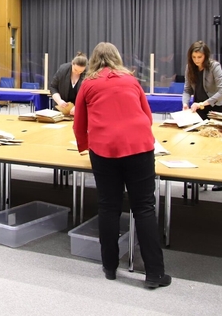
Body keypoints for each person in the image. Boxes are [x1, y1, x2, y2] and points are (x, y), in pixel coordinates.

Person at [73, 42, 170, 289]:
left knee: (108, 207)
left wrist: (86, 147)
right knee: (144, 207)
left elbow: (78, 123)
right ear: (117, 58)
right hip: (139, 148)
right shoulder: (131, 81)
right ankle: (155, 273)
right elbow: (147, 117)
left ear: (94, 60)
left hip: (104, 150)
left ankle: (110, 267)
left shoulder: (88, 84)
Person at [182, 40, 222, 120]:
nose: (196, 60)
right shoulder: (189, 68)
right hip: (199, 108)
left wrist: (202, 104)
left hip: (216, 108)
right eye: (194, 57)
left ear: (205, 56)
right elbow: (187, 90)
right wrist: (185, 103)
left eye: (199, 57)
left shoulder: (214, 66)